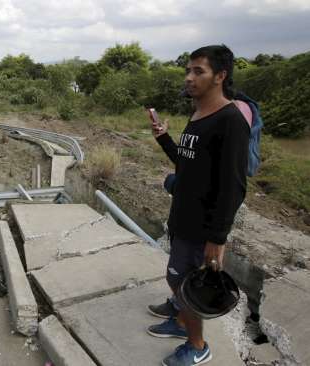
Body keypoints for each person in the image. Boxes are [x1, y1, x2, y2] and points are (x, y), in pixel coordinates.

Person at [147, 45, 250, 366]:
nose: (189, 77)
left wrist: (217, 240)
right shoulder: (198, 114)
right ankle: (180, 322)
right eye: (188, 70)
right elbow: (187, 164)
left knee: (183, 284)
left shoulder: (230, 121)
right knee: (179, 280)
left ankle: (197, 345)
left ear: (220, 76)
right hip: (183, 217)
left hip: (201, 226)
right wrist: (165, 138)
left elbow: (233, 187)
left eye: (198, 71)